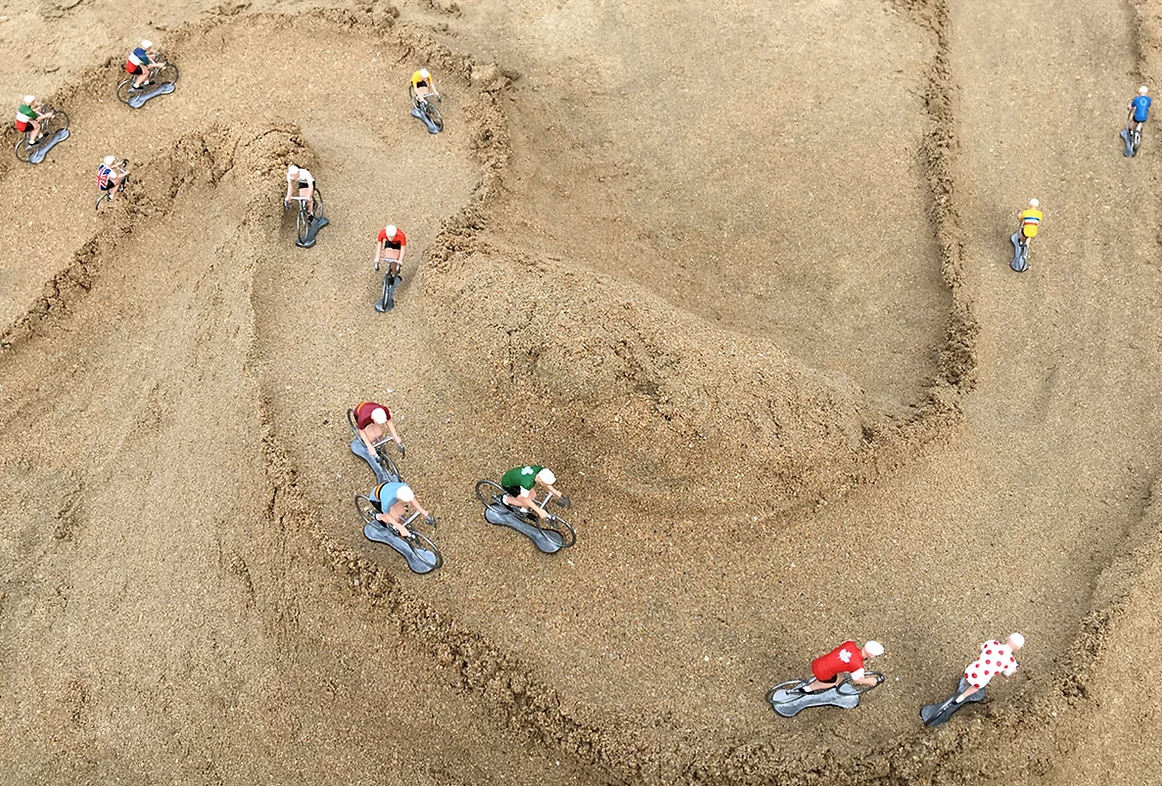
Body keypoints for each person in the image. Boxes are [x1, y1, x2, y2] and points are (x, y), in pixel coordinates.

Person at [955, 632, 1023, 704]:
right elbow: (1006, 674)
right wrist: (1013, 671)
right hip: (981, 678)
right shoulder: (1010, 661)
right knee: (975, 687)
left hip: (973, 669)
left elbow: (980, 650)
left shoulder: (992, 643)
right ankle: (963, 696)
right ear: (1018, 648)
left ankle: (964, 683)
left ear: (1007, 638)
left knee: (969, 674)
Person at [801, 640, 884, 693]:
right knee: (831, 683)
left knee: (839, 668)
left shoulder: (850, 643)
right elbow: (857, 680)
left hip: (819, 662)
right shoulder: (858, 667)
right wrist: (869, 681)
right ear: (871, 656)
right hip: (823, 673)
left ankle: (837, 681)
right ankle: (809, 688)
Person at [499, 465, 569, 520]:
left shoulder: (539, 470)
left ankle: (524, 509)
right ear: (540, 480)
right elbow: (526, 499)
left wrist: (555, 492)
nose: (547, 485)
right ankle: (506, 500)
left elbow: (545, 485)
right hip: (509, 485)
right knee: (524, 502)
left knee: (533, 495)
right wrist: (539, 511)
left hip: (517, 479)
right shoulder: (527, 483)